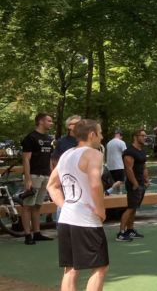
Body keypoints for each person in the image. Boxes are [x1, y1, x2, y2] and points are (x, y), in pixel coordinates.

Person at [47, 119, 109, 291]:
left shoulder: (66, 155)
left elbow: (51, 186)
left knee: (71, 269)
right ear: (92, 134)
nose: (102, 137)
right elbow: (96, 184)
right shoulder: (93, 154)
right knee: (100, 267)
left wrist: (65, 206)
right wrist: (101, 210)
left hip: (67, 219)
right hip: (86, 220)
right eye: (100, 132)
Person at [20, 113, 55, 245]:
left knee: (37, 205)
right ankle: (27, 235)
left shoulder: (48, 138)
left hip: (45, 175)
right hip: (34, 175)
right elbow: (26, 159)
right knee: (27, 206)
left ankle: (37, 233)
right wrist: (28, 178)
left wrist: (52, 174)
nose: (51, 123)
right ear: (41, 121)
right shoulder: (31, 138)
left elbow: (49, 158)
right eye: (49, 121)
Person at [119, 129, 150, 242]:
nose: (144, 137)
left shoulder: (141, 151)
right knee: (130, 208)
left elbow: (144, 167)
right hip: (134, 185)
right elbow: (128, 169)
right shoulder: (129, 152)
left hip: (141, 184)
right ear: (135, 137)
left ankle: (130, 230)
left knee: (134, 208)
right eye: (142, 135)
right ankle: (121, 233)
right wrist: (135, 184)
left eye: (145, 136)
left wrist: (146, 180)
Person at [104, 129, 126, 196]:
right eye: (121, 136)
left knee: (117, 181)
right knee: (121, 180)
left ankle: (119, 193)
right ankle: (109, 190)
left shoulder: (109, 143)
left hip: (110, 166)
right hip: (118, 165)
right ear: (120, 135)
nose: (122, 137)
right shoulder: (121, 142)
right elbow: (125, 154)